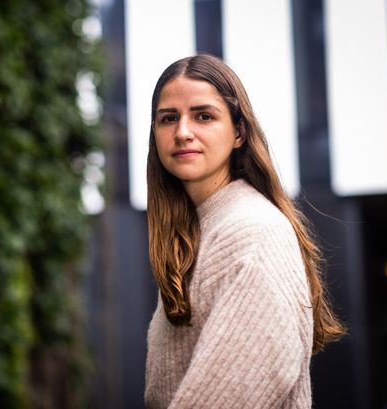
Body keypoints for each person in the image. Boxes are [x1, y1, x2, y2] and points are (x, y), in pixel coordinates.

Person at [144, 54, 345, 409]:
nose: (182, 132)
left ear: (238, 132)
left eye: (204, 116)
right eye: (168, 118)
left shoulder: (252, 233)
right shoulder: (196, 233)